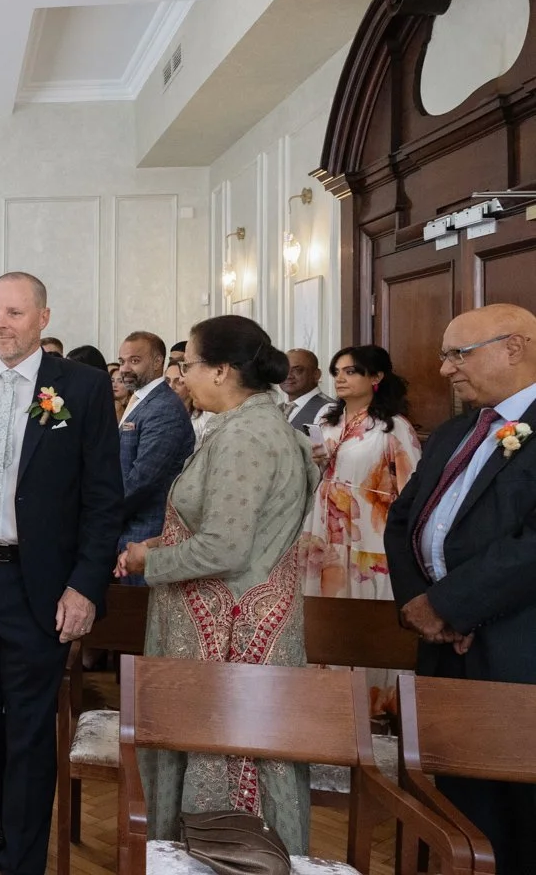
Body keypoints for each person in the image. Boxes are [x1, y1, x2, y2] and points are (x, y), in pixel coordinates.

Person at [0, 272, 122, 875]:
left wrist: (84, 586)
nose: (0, 323)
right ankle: (1, 807)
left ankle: (23, 859)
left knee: (32, 725)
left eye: (14, 312)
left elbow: (104, 498)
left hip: (41, 581)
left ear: (42, 318)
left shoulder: (81, 387)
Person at [115, 315, 316, 854]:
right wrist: (162, 542)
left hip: (230, 635)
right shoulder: (246, 424)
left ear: (222, 370)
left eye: (188, 365)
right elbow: (229, 528)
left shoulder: (246, 437)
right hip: (224, 624)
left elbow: (226, 548)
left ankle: (222, 859)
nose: (182, 377)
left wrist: (149, 560)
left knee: (227, 759)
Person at [385, 304, 536, 872]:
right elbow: (403, 520)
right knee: (453, 803)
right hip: (443, 648)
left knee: (519, 812)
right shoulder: (455, 431)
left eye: (458, 355)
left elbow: (530, 545)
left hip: (515, 650)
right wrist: (418, 605)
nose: (445, 369)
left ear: (513, 347)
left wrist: (452, 606)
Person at [297, 345, 419, 715]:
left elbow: (412, 489)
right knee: (323, 609)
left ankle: (374, 706)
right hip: (323, 527)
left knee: (366, 611)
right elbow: (310, 476)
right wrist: (314, 462)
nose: (341, 379)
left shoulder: (393, 426)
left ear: (376, 377)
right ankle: (323, 702)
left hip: (370, 530)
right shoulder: (326, 419)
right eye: (337, 371)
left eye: (351, 371)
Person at [114, 331, 193, 587]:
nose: (125, 369)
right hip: (127, 527)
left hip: (147, 531)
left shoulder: (164, 407)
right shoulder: (140, 399)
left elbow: (143, 480)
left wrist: (102, 513)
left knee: (137, 608)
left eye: (134, 361)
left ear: (158, 362)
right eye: (122, 361)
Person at [280, 348, 330, 434]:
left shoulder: (327, 409)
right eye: (284, 370)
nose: (288, 376)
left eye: (297, 370)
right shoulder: (277, 408)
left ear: (316, 374)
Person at [166, 359, 212, 445]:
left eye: (178, 382)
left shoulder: (206, 417)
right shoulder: (159, 413)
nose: (171, 387)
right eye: (167, 381)